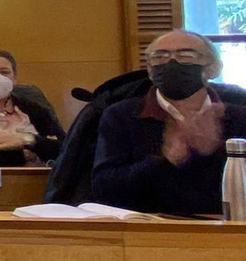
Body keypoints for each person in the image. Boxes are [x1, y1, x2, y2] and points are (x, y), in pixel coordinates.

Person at [91, 30, 246, 216]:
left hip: (228, 229)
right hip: (150, 231)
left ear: (213, 68)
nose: (171, 63)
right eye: (160, 57)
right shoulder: (121, 115)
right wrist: (166, 160)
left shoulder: (238, 117)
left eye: (186, 55)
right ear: (149, 70)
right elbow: (104, 190)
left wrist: (214, 150)